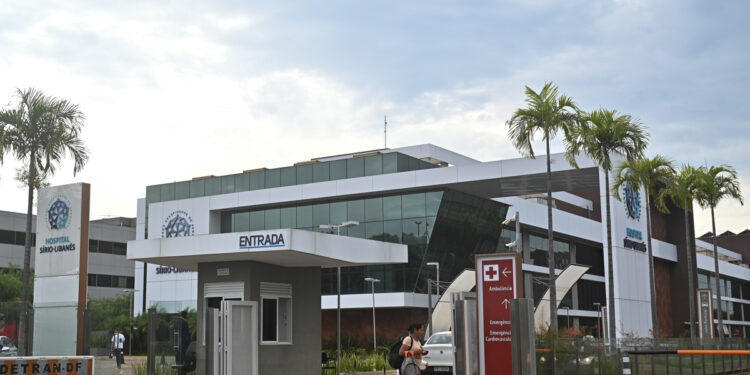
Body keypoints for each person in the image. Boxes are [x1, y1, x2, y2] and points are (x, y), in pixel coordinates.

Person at [173, 310, 191, 375]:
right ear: (185, 315)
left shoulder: (176, 322)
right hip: (183, 347)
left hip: (177, 346)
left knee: (179, 364)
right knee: (183, 364)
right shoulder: (184, 322)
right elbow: (186, 336)